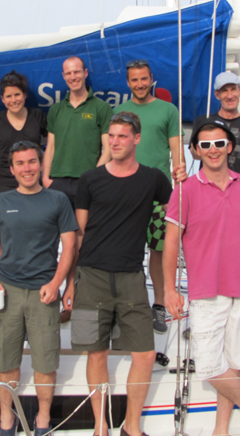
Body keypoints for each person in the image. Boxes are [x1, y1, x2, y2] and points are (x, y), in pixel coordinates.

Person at [68, 112, 180, 436]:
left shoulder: (154, 179)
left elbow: (177, 214)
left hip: (131, 278)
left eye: (122, 136)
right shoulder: (90, 179)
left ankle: (131, 427)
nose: (115, 142)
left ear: (137, 139)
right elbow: (78, 234)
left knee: (145, 354)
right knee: (96, 353)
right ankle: (100, 426)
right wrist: (70, 283)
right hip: (91, 277)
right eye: (112, 136)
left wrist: (183, 181)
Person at [163, 117, 240, 436]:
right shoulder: (184, 190)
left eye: (219, 143)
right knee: (209, 366)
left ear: (229, 147)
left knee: (232, 362)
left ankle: (221, 429)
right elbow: (171, 242)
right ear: (196, 150)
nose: (213, 149)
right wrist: (169, 289)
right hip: (206, 290)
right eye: (205, 144)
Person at [0, 141, 77, 436]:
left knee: (45, 362)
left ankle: (43, 421)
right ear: (11, 169)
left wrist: (57, 283)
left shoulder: (58, 200)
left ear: (41, 164)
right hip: (7, 291)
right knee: (6, 360)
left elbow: (70, 245)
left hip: (43, 292)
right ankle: (6, 421)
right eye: (20, 163)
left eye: (32, 161)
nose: (27, 168)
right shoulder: (1, 201)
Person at [115, 59, 183, 334]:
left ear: (151, 79)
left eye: (144, 79)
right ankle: (126, 307)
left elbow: (177, 151)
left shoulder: (168, 110)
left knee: (159, 251)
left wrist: (179, 190)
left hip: (160, 195)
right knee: (125, 251)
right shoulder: (119, 112)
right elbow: (111, 150)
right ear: (128, 83)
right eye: (134, 80)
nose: (140, 84)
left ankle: (159, 306)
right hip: (124, 194)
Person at [42, 56, 113, 207]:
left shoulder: (102, 108)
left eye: (77, 72)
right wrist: (46, 178)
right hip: (57, 181)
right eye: (68, 73)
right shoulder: (55, 109)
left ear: (85, 73)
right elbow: (50, 147)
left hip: (87, 180)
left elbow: (108, 149)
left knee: (86, 223)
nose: (73, 77)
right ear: (63, 76)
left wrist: (94, 178)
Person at [0, 71, 47, 200]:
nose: (13, 100)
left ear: (25, 95)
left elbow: (53, 144)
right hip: (3, 181)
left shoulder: (37, 115)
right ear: (2, 99)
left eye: (17, 94)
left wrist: (46, 170)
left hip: (32, 178)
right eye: (8, 96)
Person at [193, 71, 240, 175]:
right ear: (217, 94)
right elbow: (195, 154)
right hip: (208, 183)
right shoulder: (203, 122)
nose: (229, 96)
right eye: (224, 91)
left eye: (233, 89)